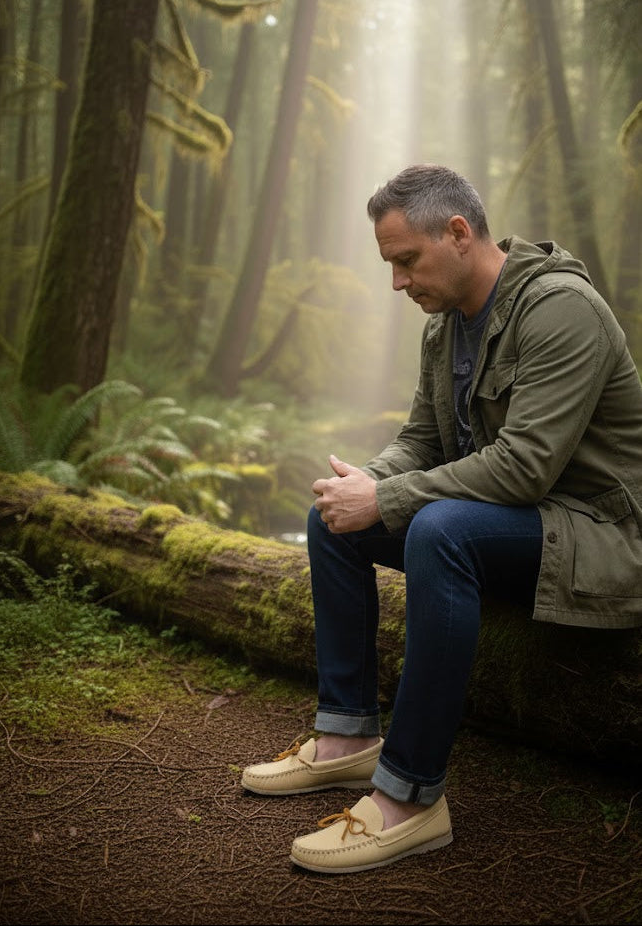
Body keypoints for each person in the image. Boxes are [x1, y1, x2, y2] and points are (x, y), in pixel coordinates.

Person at [241, 163, 642, 874]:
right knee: (331, 519)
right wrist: (368, 484)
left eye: (405, 260)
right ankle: (345, 739)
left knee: (437, 528)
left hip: (596, 538)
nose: (398, 282)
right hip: (515, 528)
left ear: (458, 233)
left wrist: (389, 499)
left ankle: (411, 798)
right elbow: (422, 440)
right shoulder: (447, 326)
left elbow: (524, 466)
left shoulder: (559, 309)